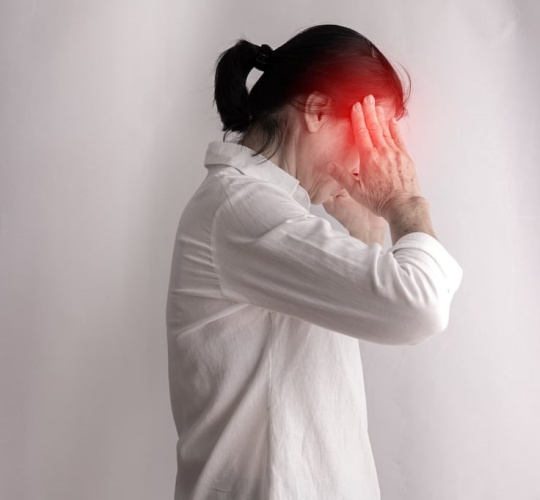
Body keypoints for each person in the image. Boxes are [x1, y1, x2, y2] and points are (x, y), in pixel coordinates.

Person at [166, 24, 462, 500]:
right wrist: (406, 203)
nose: (368, 161)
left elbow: (371, 294)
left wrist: (364, 218)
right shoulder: (241, 210)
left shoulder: (263, 212)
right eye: (368, 136)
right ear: (318, 110)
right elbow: (419, 306)